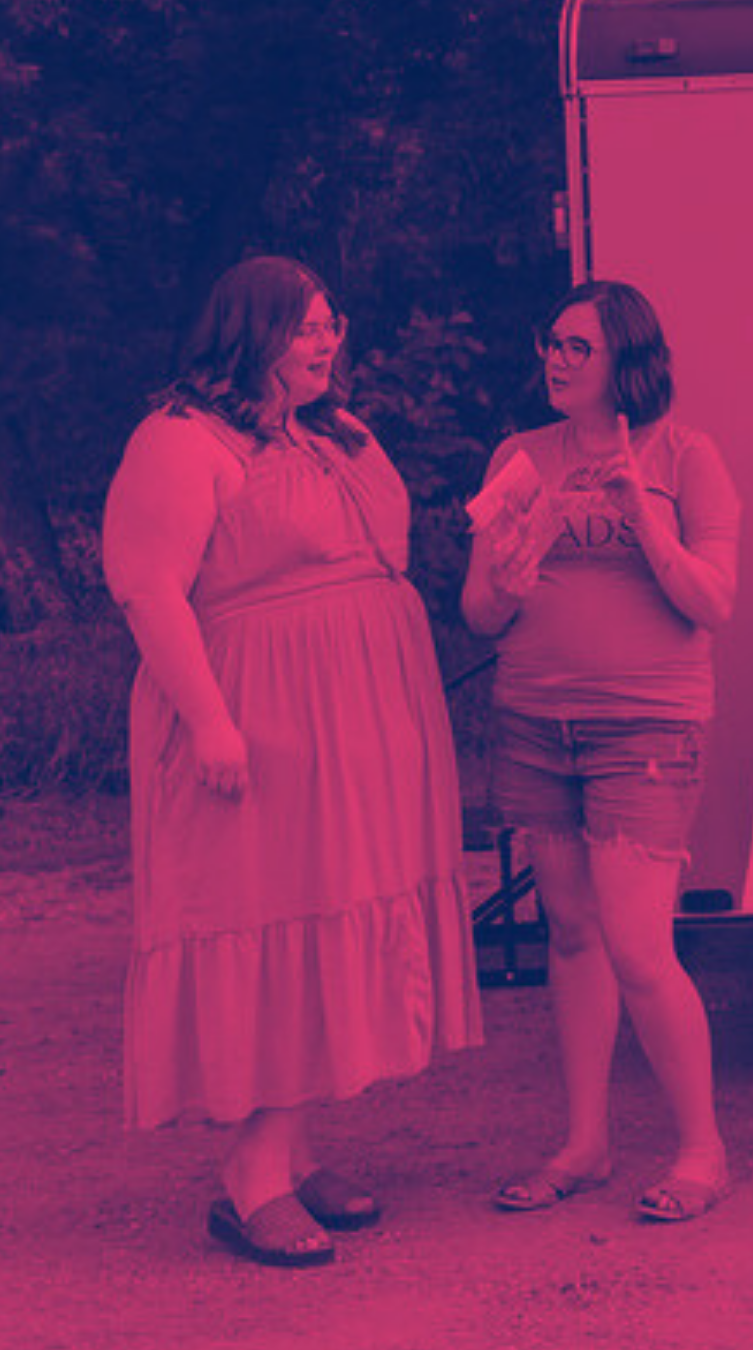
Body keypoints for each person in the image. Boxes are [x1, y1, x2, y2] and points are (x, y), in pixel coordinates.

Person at [102, 256, 482, 1267]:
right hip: (260, 718)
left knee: (333, 914)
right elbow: (148, 588)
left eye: (331, 326)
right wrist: (211, 723)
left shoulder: (332, 431)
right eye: (307, 328)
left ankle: (296, 1150)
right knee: (276, 915)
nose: (327, 343)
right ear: (253, 333)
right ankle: (253, 1174)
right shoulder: (181, 439)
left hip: (358, 718)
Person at [464, 280, 740, 1224]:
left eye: (578, 346)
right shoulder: (520, 458)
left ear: (627, 358)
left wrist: (642, 517)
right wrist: (506, 584)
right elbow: (479, 612)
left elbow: (713, 602)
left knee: (637, 946)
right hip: (537, 721)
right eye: (551, 342)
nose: (557, 359)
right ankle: (585, 1145)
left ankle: (701, 1150)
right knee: (573, 933)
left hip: (647, 730)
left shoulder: (686, 457)